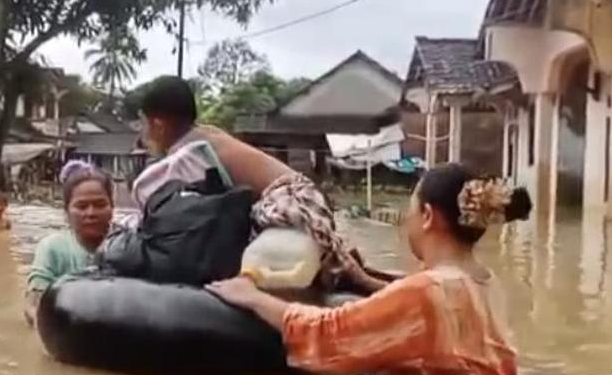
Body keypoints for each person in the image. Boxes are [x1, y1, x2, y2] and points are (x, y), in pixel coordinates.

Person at [206, 164, 532, 375]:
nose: (408, 221)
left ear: (429, 216)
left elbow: (328, 333)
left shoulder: (425, 292)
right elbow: (428, 317)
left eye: (412, 210)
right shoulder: (485, 282)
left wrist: (250, 297)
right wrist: (366, 280)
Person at [132, 76, 385, 293]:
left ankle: (351, 277)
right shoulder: (207, 134)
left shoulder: (191, 151)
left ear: (158, 124)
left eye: (143, 123)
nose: (142, 133)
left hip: (291, 201)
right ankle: (351, 272)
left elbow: (147, 193)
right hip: (306, 199)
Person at [24, 161, 114, 325]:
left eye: (100, 205)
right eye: (81, 206)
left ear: (112, 208)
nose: (91, 213)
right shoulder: (53, 248)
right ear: (66, 212)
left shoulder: (127, 245)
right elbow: (34, 303)